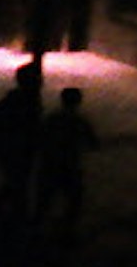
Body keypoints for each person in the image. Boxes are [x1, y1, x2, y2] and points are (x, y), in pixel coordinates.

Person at [0, 55, 45, 221]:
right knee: (19, 184)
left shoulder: (23, 102)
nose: (42, 83)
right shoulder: (25, 105)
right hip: (17, 150)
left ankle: (0, 209)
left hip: (16, 150)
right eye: (38, 80)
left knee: (16, 183)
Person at [34, 83, 97, 237]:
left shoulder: (52, 118)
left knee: (45, 199)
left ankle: (37, 231)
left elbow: (40, 138)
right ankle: (67, 230)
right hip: (71, 165)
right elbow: (93, 143)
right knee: (74, 200)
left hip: (50, 164)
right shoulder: (80, 121)